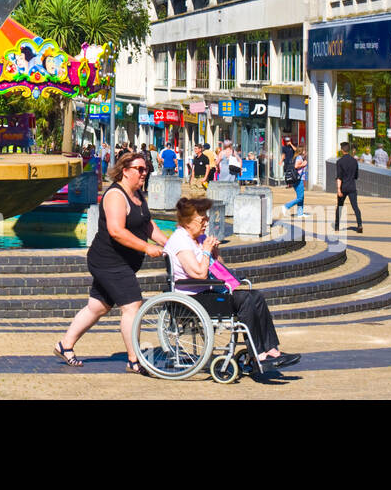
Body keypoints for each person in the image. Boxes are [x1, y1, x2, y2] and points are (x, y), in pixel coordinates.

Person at [55, 151, 169, 373]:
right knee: (132, 306)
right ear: (125, 171)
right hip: (109, 261)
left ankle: (65, 345)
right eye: (140, 169)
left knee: (97, 307)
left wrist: (169, 243)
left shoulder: (137, 194)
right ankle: (134, 359)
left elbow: (147, 224)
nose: (145, 173)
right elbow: (116, 231)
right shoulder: (116, 196)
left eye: (146, 169)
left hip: (123, 262)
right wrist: (146, 247)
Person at [164, 197, 299, 369]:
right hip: (192, 296)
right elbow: (198, 273)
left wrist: (214, 251)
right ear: (187, 222)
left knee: (256, 296)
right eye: (202, 219)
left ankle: (271, 349)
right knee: (245, 300)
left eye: (207, 218)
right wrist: (205, 251)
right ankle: (258, 354)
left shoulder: (198, 237)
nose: (206, 223)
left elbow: (218, 266)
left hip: (207, 291)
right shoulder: (180, 240)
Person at [334, 142, 362, 233]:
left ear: (342, 150)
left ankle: (337, 226)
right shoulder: (354, 161)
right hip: (352, 186)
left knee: (340, 206)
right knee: (355, 206)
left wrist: (338, 189)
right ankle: (359, 224)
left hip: (343, 187)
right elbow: (356, 176)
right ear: (348, 149)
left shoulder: (339, 162)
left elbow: (339, 177)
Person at [284, 150, 307, 218]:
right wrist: (304, 164)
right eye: (304, 151)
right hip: (298, 179)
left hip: (298, 179)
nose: (306, 152)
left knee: (301, 197)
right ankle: (286, 206)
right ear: (301, 151)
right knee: (300, 197)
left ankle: (300, 213)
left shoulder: (297, 157)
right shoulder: (299, 158)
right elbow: (296, 166)